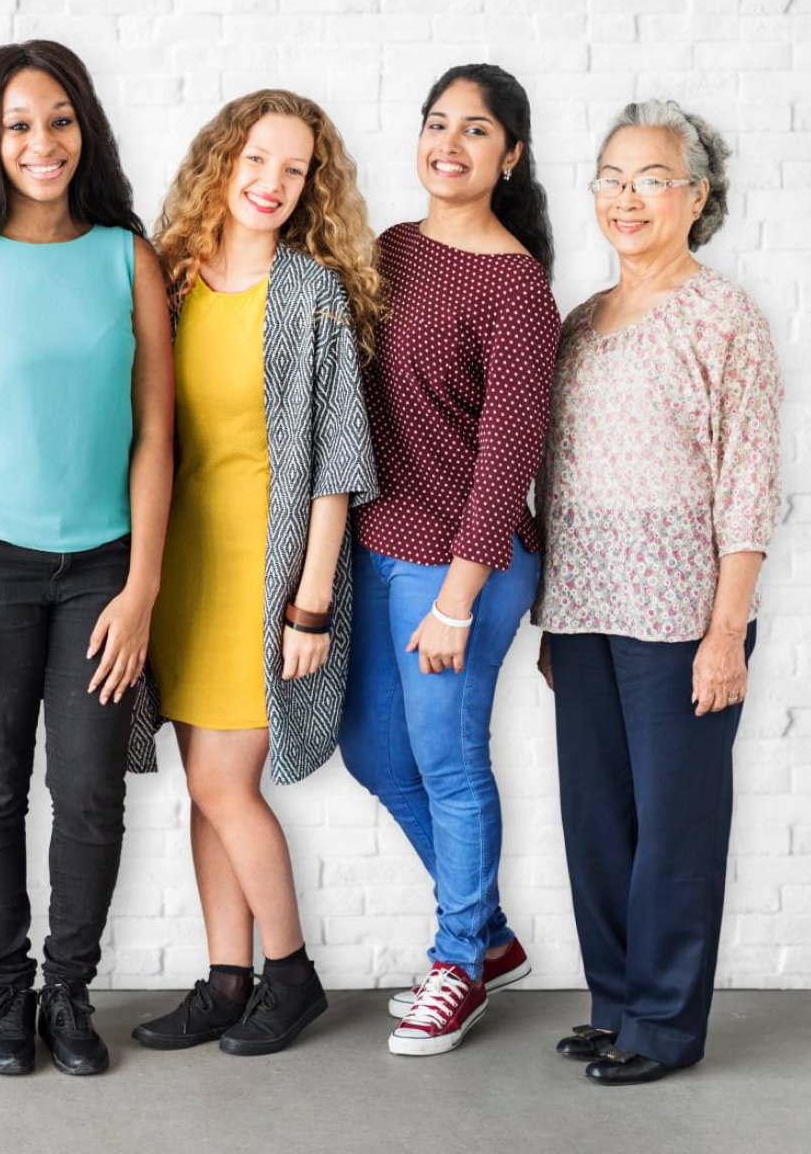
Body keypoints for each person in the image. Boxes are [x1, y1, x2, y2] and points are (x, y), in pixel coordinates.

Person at [0, 40, 174, 1078]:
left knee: (93, 790)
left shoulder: (125, 257)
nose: (40, 141)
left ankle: (70, 993)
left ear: (84, 129)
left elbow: (157, 436)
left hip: (104, 568)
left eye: (58, 119)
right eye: (17, 123)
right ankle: (5, 997)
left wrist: (142, 585)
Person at [127, 90, 380, 1058]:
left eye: (296, 169)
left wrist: (310, 602)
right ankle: (226, 978)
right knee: (204, 784)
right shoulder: (175, 278)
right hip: (181, 564)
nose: (274, 184)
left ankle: (293, 972)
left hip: (265, 573)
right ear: (221, 163)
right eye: (259, 161)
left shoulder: (308, 290)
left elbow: (339, 465)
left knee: (229, 783)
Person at [536, 99, 781, 1086]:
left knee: (676, 827)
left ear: (697, 196)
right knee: (598, 820)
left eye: (650, 179)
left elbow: (750, 481)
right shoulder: (579, 322)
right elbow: (552, 472)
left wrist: (728, 629)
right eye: (610, 178)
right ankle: (616, 1004)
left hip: (683, 613)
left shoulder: (723, 315)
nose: (625, 198)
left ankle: (666, 1025)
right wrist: (552, 610)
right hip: (584, 608)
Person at [335, 62, 560, 1057]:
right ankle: (492, 933)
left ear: (509, 156)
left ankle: (459, 959)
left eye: (476, 131)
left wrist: (459, 599)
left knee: (450, 761)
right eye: (437, 123)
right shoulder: (390, 247)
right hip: (383, 548)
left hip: (463, 565)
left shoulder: (518, 287)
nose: (450, 145)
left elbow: (508, 457)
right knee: (374, 751)